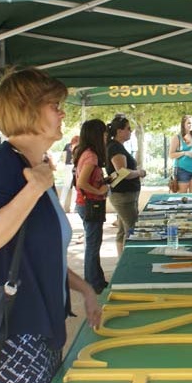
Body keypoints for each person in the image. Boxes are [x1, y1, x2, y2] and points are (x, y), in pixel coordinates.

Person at [0, 67, 101, 383]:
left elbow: (37, 256)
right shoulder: (1, 166)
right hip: (9, 339)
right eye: (54, 105)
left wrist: (84, 288)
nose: (62, 113)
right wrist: (34, 189)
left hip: (39, 331)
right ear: (28, 109)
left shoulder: (35, 165)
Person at [74, 118, 111, 294]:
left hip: (87, 203)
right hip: (90, 204)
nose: (106, 136)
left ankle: (96, 279)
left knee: (94, 243)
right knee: (93, 244)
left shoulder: (86, 153)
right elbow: (82, 183)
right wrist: (99, 191)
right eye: (103, 133)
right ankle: (92, 283)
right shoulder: (91, 156)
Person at [106, 115, 147, 256]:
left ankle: (121, 260)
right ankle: (130, 260)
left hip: (126, 194)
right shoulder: (115, 148)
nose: (130, 131)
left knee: (123, 230)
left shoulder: (117, 146)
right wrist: (139, 172)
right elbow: (123, 172)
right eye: (128, 129)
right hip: (123, 195)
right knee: (132, 229)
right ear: (119, 131)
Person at [169, 115, 192, 194]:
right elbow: (171, 155)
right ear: (183, 124)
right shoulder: (177, 138)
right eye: (188, 123)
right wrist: (185, 153)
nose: (191, 125)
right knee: (182, 197)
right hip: (182, 170)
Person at [59, 135, 79, 213]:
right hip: (74, 167)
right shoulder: (79, 147)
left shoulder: (67, 146)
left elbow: (63, 156)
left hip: (68, 166)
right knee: (73, 187)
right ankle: (72, 207)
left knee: (67, 186)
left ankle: (62, 205)